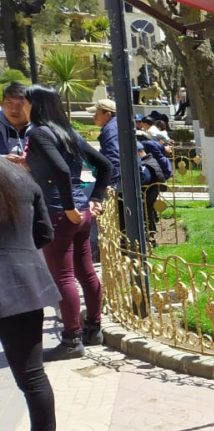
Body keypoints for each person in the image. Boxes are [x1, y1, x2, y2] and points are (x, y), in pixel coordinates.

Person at [23, 85, 113, 360]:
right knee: (85, 272)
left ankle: (72, 340)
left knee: (62, 277)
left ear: (35, 105)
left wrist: (69, 205)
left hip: (59, 213)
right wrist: (93, 199)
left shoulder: (39, 133)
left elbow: (61, 170)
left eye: (25, 102)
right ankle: (94, 329)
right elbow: (104, 165)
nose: (22, 107)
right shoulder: (67, 132)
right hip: (80, 214)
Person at [0, 159, 61, 431]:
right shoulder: (21, 176)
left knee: (33, 377)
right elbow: (44, 233)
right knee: (33, 376)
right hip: (23, 283)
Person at [89, 98, 120, 263]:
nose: (94, 117)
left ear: (107, 114)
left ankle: (100, 254)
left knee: (100, 214)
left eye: (96, 113)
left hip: (114, 181)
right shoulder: (113, 126)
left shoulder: (110, 130)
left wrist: (108, 183)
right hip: (117, 179)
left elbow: (113, 159)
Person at [138, 142, 166, 239]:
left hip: (147, 195)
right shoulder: (150, 160)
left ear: (139, 153)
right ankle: (151, 230)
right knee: (149, 212)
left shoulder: (146, 164)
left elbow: (144, 179)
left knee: (147, 212)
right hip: (151, 193)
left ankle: (149, 233)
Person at [1, 82, 31, 156]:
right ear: (2, 103)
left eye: (20, 104)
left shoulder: (39, 127)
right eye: (9, 102)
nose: (14, 110)